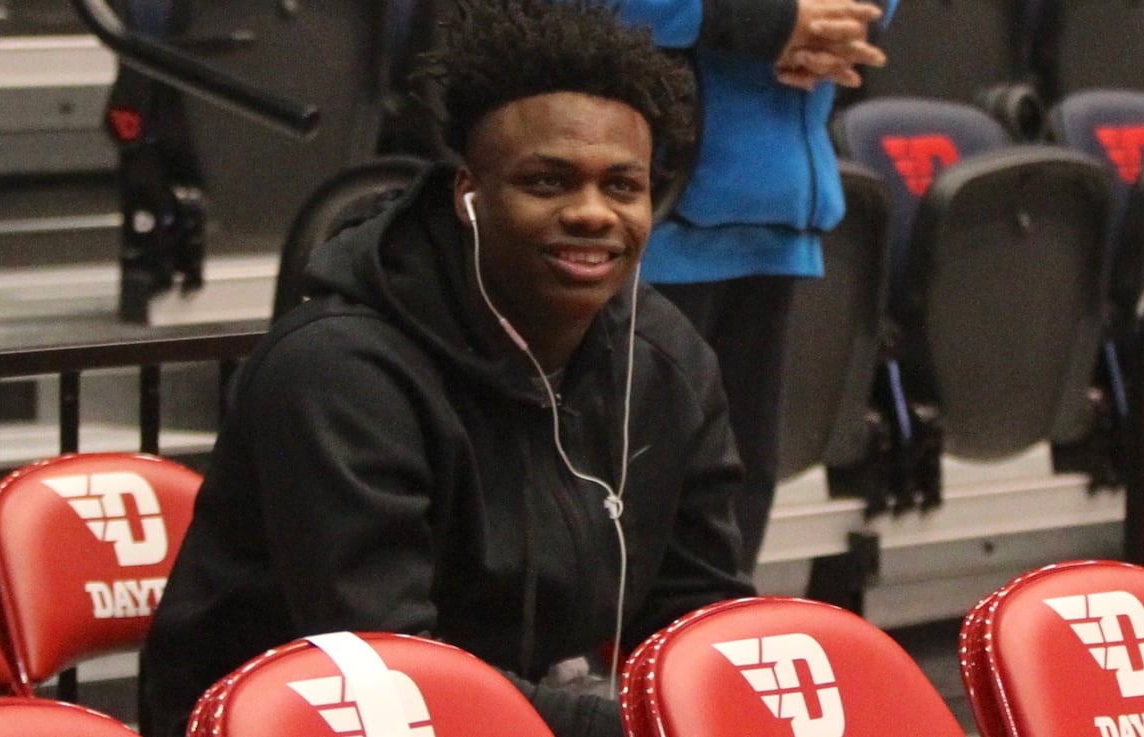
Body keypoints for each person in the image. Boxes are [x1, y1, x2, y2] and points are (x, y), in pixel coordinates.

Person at [136, 2, 753, 736]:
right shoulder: (337, 372)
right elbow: (391, 670)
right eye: (549, 182)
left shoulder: (664, 359)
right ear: (469, 195)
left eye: (622, 186)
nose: (594, 212)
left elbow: (705, 617)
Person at [606, 0, 896, 571]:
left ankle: (712, 657)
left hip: (776, 205)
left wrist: (832, 25)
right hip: (657, 215)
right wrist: (773, 22)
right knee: (633, 500)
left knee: (734, 505)